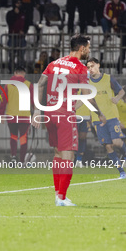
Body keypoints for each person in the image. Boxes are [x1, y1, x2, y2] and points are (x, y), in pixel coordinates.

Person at [32, 34, 107, 206]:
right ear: (82, 48)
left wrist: (37, 109)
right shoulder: (80, 68)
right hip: (65, 115)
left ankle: (58, 194)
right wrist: (99, 113)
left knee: (58, 153)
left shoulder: (54, 63)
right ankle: (62, 198)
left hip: (50, 113)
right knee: (68, 156)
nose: (89, 50)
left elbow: (41, 83)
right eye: (88, 47)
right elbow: (88, 96)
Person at [86, 57, 126, 179]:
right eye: (88, 67)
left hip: (112, 116)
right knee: (108, 146)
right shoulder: (87, 83)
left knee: (117, 142)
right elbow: (86, 99)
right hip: (97, 119)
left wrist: (117, 99)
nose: (90, 69)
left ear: (98, 65)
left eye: (92, 66)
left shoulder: (108, 78)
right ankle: (121, 172)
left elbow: (121, 91)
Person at [0, 66, 33, 164]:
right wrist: (36, 114)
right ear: (24, 73)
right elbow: (33, 101)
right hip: (24, 116)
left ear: (14, 73)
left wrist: (1, 114)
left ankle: (13, 157)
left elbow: (3, 101)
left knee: (13, 136)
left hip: (11, 115)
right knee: (23, 138)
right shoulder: (28, 84)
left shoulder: (8, 85)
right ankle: (22, 161)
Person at [6, 0, 26, 73]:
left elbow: (26, 24)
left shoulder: (23, 14)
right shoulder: (10, 13)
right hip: (12, 37)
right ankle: (11, 70)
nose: (19, 5)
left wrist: (24, 31)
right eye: (17, 3)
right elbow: (10, 23)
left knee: (21, 56)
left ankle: (20, 70)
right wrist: (15, 14)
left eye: (20, 3)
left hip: (21, 38)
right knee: (11, 55)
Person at [75, 90, 91, 167]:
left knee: (82, 137)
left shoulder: (88, 85)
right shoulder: (73, 84)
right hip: (74, 115)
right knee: (73, 138)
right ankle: (70, 159)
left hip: (86, 115)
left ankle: (79, 160)